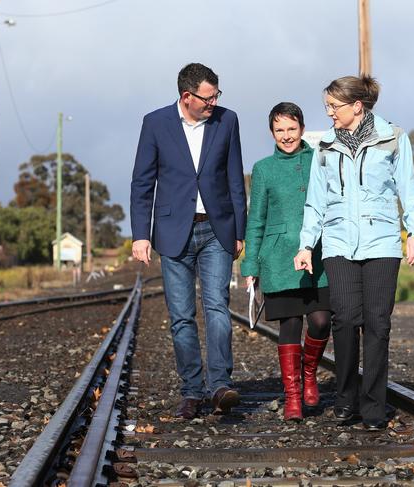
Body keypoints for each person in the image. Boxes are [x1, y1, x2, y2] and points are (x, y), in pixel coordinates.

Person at [294, 75, 414, 431]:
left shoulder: (393, 138)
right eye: (327, 107)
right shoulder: (325, 146)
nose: (329, 114)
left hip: (382, 242)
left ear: (357, 106)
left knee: (378, 325)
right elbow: (315, 201)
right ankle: (346, 398)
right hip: (338, 243)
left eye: (334, 107)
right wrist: (307, 244)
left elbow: (408, 188)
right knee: (346, 320)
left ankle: (372, 408)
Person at [130, 63, 247, 420]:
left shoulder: (227, 121)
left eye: (216, 95)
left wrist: (239, 230)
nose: (214, 102)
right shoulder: (155, 123)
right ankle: (192, 391)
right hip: (172, 232)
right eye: (208, 97)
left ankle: (219, 386)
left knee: (217, 308)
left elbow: (235, 179)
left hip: (216, 229)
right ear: (187, 96)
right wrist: (140, 235)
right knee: (181, 318)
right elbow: (142, 183)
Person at [241, 103, 331, 421]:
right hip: (278, 258)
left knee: (321, 320)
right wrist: (250, 265)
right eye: (280, 130)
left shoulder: (319, 159)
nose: (286, 136)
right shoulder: (263, 168)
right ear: (272, 133)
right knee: (290, 326)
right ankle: (293, 397)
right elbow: (256, 220)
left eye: (292, 129)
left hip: (318, 255)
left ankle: (309, 373)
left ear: (303, 129)